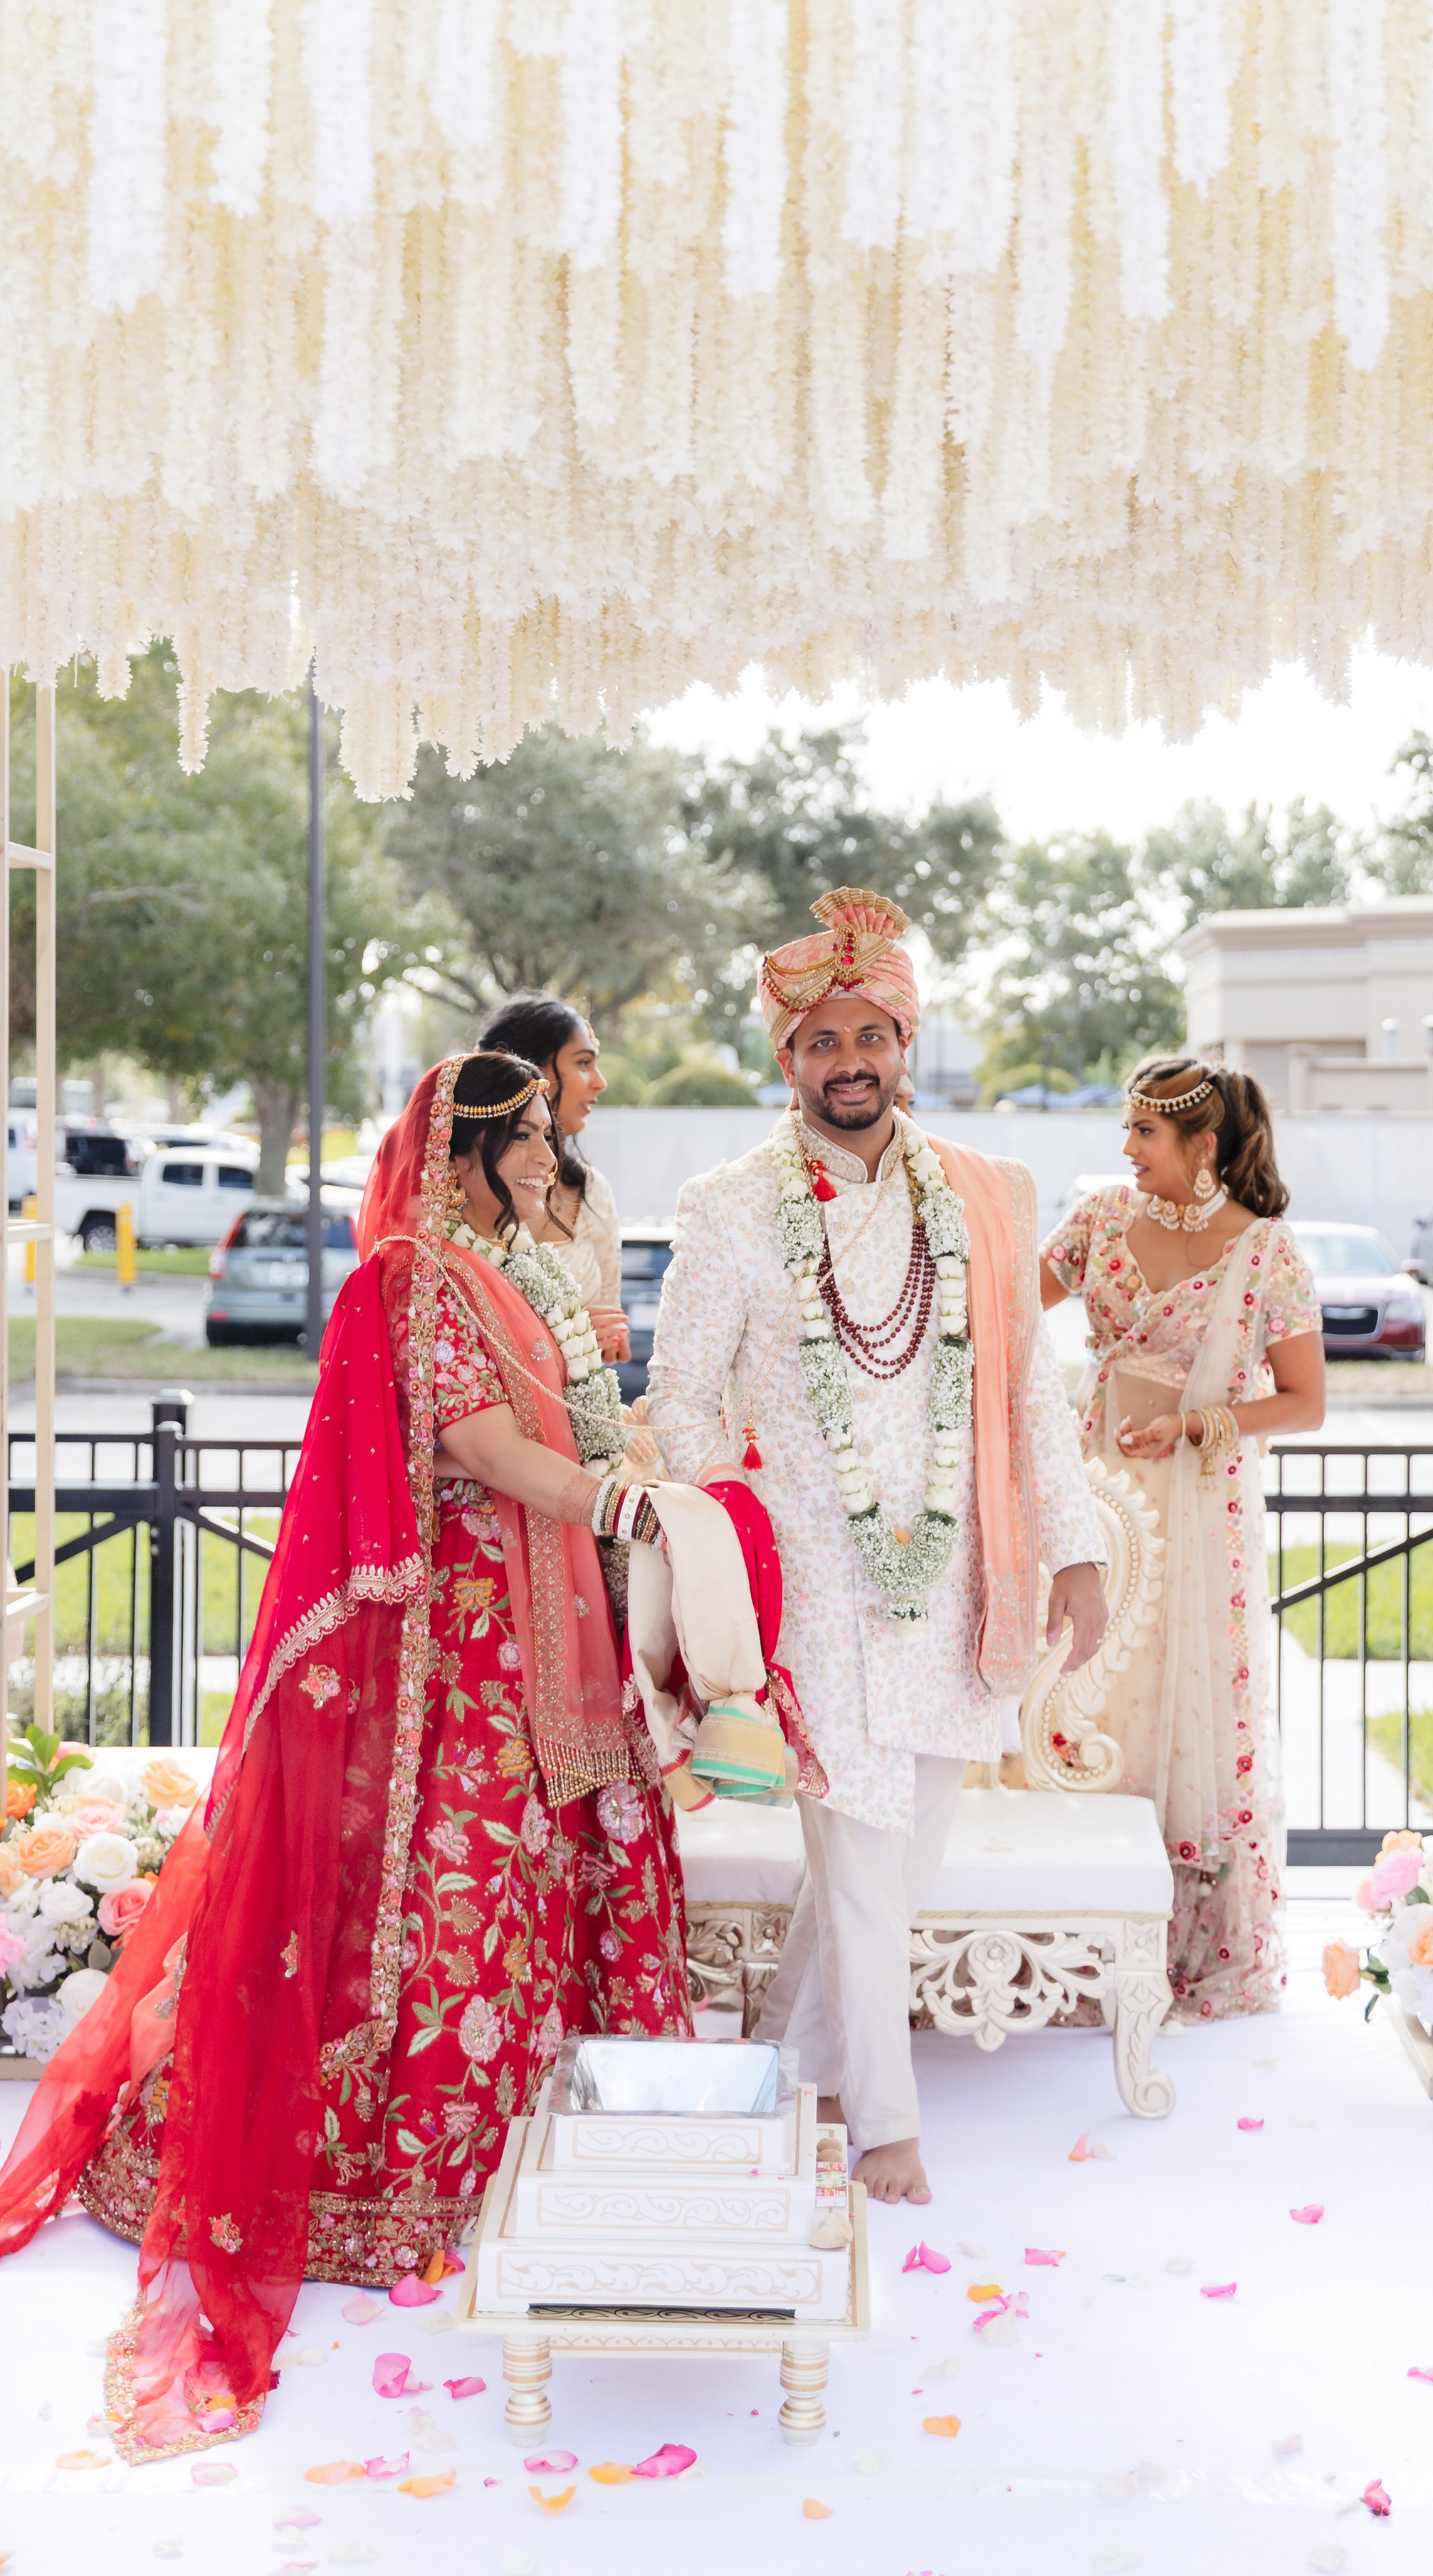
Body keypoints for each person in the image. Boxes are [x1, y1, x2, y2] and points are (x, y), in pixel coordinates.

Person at [0, 1053, 694, 2459]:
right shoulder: (411, 1275)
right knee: (439, 1901)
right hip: (447, 1650)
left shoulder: (505, 1272)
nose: (554, 1160)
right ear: (478, 1148)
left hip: (527, 1639)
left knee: (512, 1894)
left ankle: (506, 2163)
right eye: (536, 1139)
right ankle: (393, 2179)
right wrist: (625, 1500)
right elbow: (480, 1447)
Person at [646, 888, 1108, 2207]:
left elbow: (1027, 1392)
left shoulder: (985, 1195)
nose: (849, 1059)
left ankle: (797, 2065)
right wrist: (739, 1523)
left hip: (963, 1570)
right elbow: (681, 1396)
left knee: (904, 1856)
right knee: (854, 1844)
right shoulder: (728, 1203)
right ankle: (883, 2122)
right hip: (813, 1579)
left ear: (905, 1042)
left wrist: (1070, 1547)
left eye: (873, 1033)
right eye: (820, 1039)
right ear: (784, 1059)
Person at [1039, 1056, 1324, 2022]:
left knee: (1177, 1702)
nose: (1124, 1149)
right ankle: (1061, 1931)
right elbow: (999, 1309)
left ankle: (1170, 1943)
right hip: (1088, 1480)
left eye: (1143, 1133)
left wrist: (1199, 1425)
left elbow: (1307, 1401)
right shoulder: (1099, 1221)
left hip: (1197, 1503)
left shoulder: (1268, 1255)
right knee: (1079, 1683)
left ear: (1203, 1145)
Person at [478, 991, 629, 1362]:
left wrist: (600, 1339)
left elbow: (614, 1347)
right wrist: (570, 1334)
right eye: (583, 1063)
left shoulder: (591, 1191)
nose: (600, 1082)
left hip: (580, 1412)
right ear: (531, 1071)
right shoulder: (466, 1190)